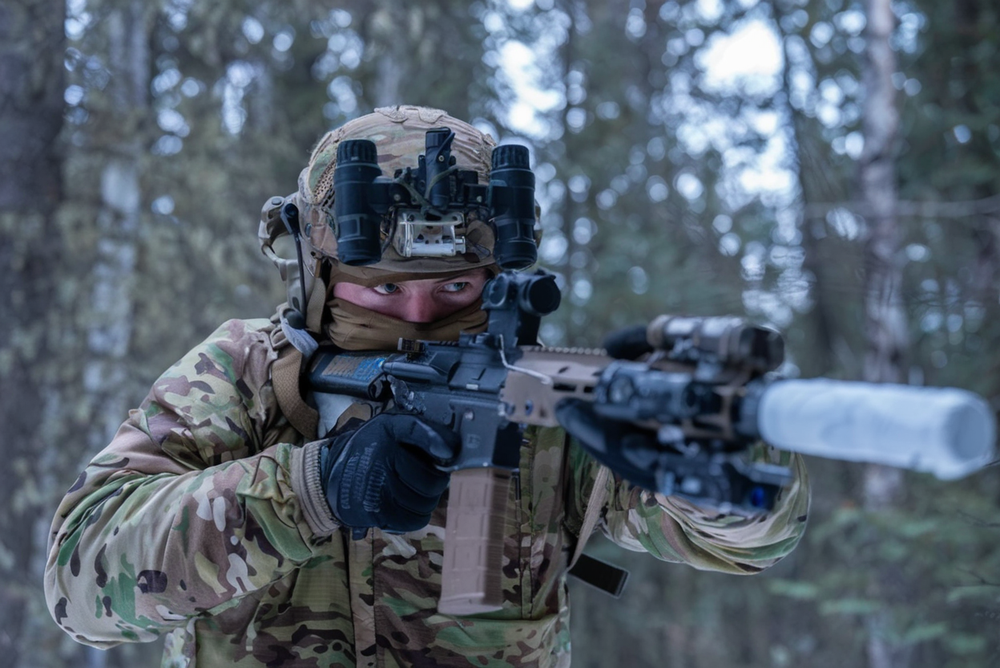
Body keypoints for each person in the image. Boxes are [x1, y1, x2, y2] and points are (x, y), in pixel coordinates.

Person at [45, 105, 809, 667]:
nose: (416, 316)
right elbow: (81, 582)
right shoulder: (243, 372)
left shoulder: (544, 396)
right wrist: (310, 488)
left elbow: (753, 539)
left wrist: (717, 463)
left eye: (453, 290)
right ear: (319, 277)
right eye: (380, 292)